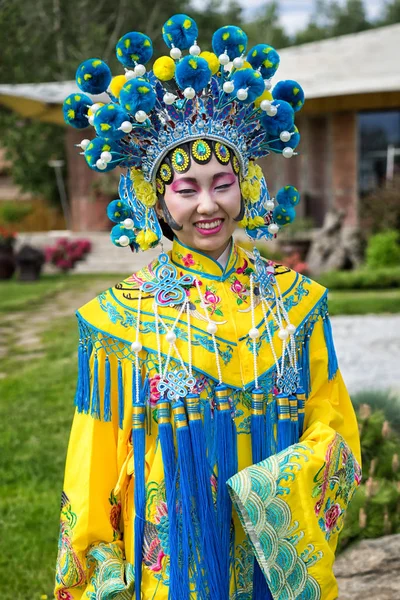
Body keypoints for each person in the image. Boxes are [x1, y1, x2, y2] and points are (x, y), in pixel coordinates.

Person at [55, 13, 361, 600]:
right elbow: (92, 466)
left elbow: (335, 428)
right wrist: (95, 573)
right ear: (156, 200)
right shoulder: (120, 319)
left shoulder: (297, 305)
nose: (207, 206)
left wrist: (275, 488)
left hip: (271, 561)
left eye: (223, 182)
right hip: (173, 560)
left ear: (247, 187)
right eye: (186, 188)